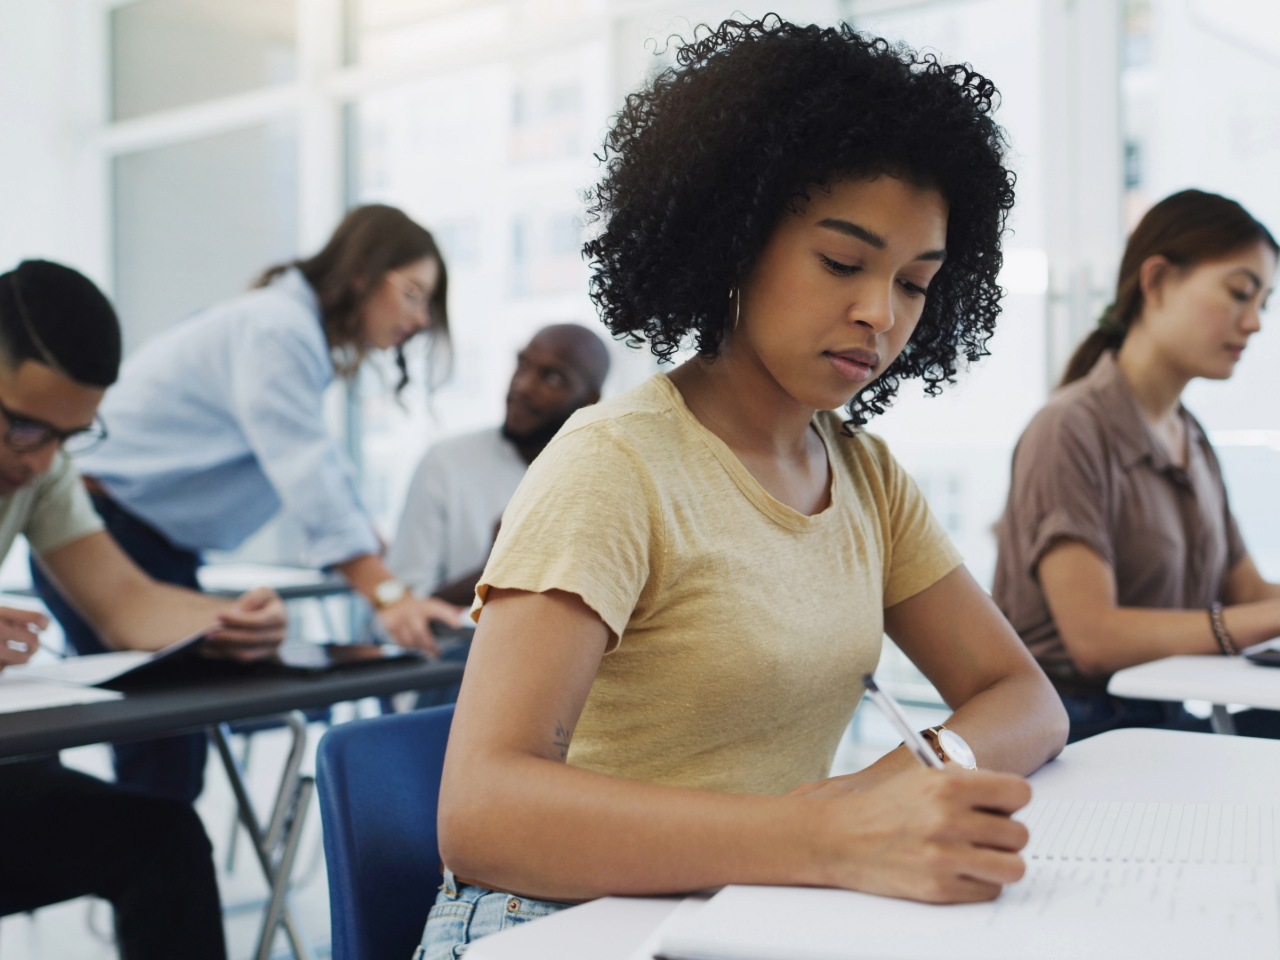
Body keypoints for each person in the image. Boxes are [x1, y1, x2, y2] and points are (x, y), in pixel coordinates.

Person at [417, 19, 1068, 958]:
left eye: (916, 283)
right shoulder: (616, 463)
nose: (879, 314)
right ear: (734, 237)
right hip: (561, 923)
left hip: (748, 908)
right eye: (843, 263)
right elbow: (482, 815)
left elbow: (1024, 698)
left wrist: (892, 783)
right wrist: (823, 836)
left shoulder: (864, 475)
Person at [31, 204, 464, 804]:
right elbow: (303, 466)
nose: (418, 320)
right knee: (164, 754)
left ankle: (156, 867)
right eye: (414, 294)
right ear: (364, 272)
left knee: (174, 750)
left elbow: (323, 468)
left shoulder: (292, 334)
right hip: (103, 531)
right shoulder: (278, 328)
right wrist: (386, 594)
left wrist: (380, 568)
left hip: (149, 540)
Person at [0, 259, 289, 960]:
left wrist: (231, 620)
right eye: (27, 429)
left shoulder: (42, 471)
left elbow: (126, 602)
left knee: (164, 839)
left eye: (70, 436)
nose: (41, 462)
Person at [994, 189, 1280, 743]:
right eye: (1240, 293)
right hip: (1078, 733)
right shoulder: (1070, 428)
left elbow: (1247, 591)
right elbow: (1093, 638)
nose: (1254, 323)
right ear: (1155, 281)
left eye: (1263, 303)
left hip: (1159, 721)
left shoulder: (1191, 438)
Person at [389, 323, 611, 608]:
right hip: (461, 651)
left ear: (590, 400)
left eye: (552, 378)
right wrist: (496, 571)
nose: (522, 386)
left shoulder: (604, 481)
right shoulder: (446, 463)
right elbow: (403, 614)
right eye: (522, 365)